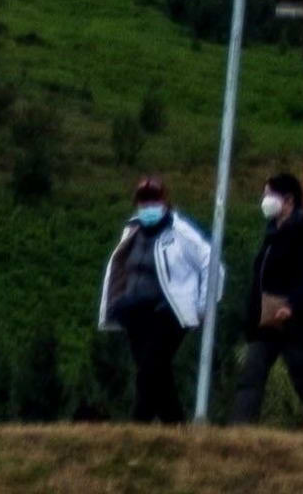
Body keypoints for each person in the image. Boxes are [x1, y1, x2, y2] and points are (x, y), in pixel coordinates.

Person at [94, 176, 219, 424]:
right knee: (155, 374)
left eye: (153, 200)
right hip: (135, 313)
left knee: (150, 371)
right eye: (144, 201)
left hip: (169, 313)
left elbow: (211, 262)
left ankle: (138, 426)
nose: (148, 206)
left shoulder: (180, 232)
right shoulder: (132, 230)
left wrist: (204, 303)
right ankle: (175, 427)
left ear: (164, 201)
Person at [226, 171, 303, 430]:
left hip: (293, 319)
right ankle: (239, 430)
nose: (265, 200)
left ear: (288, 200)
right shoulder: (272, 233)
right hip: (267, 318)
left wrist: (292, 305)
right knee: (252, 373)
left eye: (269, 195)